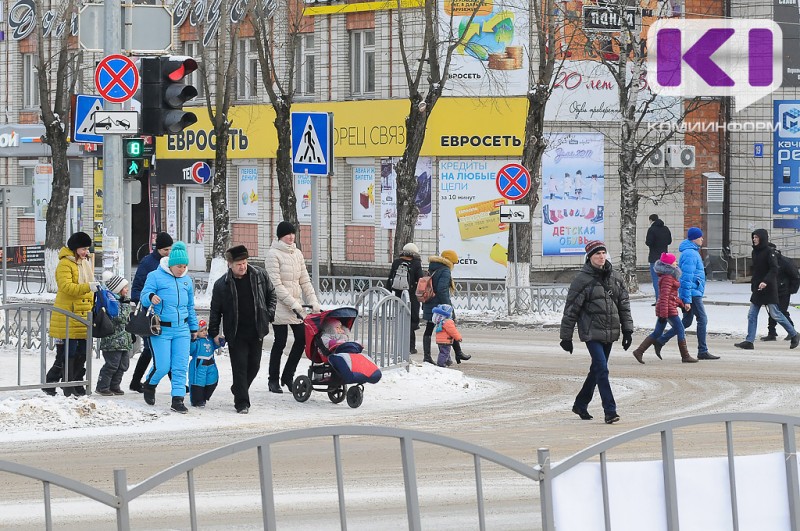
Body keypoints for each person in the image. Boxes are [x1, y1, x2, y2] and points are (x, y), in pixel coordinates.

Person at [560, 240, 633, 424]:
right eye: (596, 254)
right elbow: (571, 310)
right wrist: (566, 337)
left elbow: (624, 305)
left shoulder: (615, 277)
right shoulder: (582, 280)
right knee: (602, 368)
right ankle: (610, 410)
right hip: (591, 331)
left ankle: (580, 404)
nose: (601, 257)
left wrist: (627, 330)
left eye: (603, 253)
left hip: (610, 330)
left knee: (596, 370)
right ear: (589, 257)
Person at [209, 244, 277, 414]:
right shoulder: (221, 285)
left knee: (254, 366)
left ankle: (239, 388)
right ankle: (241, 402)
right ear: (230, 264)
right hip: (236, 333)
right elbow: (215, 310)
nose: (243, 266)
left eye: (245, 262)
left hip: (256, 330)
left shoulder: (259, 275)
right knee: (239, 368)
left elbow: (272, 295)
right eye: (239, 263)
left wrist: (268, 314)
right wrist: (214, 332)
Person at [140, 241, 199, 414]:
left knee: (180, 366)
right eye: (179, 266)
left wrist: (193, 329)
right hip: (161, 329)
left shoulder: (187, 281)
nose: (182, 269)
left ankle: (178, 400)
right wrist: (151, 297)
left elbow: (190, 307)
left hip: (182, 329)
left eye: (185, 266)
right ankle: (150, 385)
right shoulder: (155, 276)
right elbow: (143, 296)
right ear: (171, 264)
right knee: (163, 366)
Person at [265, 221, 321, 394]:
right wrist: (294, 304)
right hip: (280, 305)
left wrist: (313, 301)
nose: (290, 237)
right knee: (280, 342)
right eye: (287, 234)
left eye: (292, 233)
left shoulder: (297, 253)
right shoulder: (273, 255)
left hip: (296, 306)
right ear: (280, 236)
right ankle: (273, 380)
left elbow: (304, 280)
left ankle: (288, 376)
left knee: (302, 339)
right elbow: (276, 285)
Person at [45, 231, 98, 397]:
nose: (86, 252)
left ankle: (75, 381)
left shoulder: (84, 263)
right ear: (75, 248)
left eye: (87, 248)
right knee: (68, 353)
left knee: (82, 352)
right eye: (83, 248)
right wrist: (88, 287)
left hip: (83, 315)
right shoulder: (65, 264)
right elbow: (66, 287)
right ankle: (67, 384)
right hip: (68, 315)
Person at [652, 227, 719, 360]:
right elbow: (686, 278)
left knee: (686, 322)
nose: (702, 239)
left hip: (693, 291)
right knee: (702, 319)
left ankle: (661, 341)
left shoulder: (692, 252)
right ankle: (702, 350)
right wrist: (687, 299)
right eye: (700, 237)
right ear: (694, 238)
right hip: (692, 293)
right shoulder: (690, 254)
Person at [734, 229, 800, 350]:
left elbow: (774, 269)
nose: (754, 239)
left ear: (762, 238)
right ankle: (749, 341)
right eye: (753, 237)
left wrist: (765, 281)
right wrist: (754, 285)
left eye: (756, 237)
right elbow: (757, 271)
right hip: (758, 289)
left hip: (769, 288)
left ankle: (794, 334)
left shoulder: (770, 252)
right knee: (752, 315)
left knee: (776, 314)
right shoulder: (755, 252)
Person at [631, 253, 697, 364]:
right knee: (680, 329)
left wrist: (681, 305)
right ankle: (685, 356)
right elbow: (665, 297)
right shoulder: (667, 277)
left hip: (666, 308)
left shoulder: (669, 276)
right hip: (667, 309)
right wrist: (664, 315)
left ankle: (639, 351)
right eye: (674, 261)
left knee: (657, 332)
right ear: (669, 264)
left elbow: (672, 297)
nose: (676, 263)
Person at [128, 232, 173, 393]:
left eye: (170, 249)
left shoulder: (171, 262)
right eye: (165, 250)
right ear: (158, 249)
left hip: (167, 313)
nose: (168, 253)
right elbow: (138, 287)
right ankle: (136, 381)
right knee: (151, 349)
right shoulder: (148, 262)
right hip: (151, 313)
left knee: (164, 349)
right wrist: (145, 300)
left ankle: (174, 382)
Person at [422, 250, 470, 365]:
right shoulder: (445, 270)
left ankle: (427, 356)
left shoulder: (432, 268)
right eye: (454, 262)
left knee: (429, 329)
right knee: (449, 328)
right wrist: (448, 308)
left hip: (429, 302)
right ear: (450, 261)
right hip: (440, 306)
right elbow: (442, 290)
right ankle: (456, 353)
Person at [95, 272, 134, 395]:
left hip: (123, 340)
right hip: (112, 341)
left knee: (123, 365)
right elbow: (120, 317)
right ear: (117, 289)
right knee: (112, 365)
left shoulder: (123, 302)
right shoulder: (112, 302)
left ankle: (114, 385)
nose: (127, 290)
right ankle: (102, 386)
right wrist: (126, 305)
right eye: (125, 287)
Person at [387, 242, 424, 353]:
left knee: (401, 320)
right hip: (411, 296)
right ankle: (411, 347)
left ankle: (400, 346)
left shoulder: (397, 262)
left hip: (399, 295)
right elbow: (420, 280)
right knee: (411, 321)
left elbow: (390, 278)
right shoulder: (416, 263)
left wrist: (389, 292)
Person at [762, 243, 800, 341]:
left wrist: (792, 290)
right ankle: (772, 333)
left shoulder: (785, 262)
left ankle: (793, 332)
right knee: (771, 311)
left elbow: (796, 276)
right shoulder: (767, 262)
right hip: (772, 290)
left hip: (783, 291)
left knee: (781, 312)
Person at [189, 320, 220, 408]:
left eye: (205, 330)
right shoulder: (196, 341)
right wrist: (193, 340)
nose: (204, 332)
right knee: (198, 382)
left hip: (211, 364)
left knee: (212, 380)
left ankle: (205, 396)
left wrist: (220, 341)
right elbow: (191, 351)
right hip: (199, 365)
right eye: (201, 331)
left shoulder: (209, 339)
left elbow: (216, 344)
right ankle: (197, 400)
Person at [645, 214, 672, 304]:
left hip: (654, 257)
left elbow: (649, 242)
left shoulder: (651, 229)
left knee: (656, 280)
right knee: (665, 280)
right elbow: (669, 241)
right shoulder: (666, 229)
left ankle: (659, 300)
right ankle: (666, 299)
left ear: (651, 220)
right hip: (665, 258)